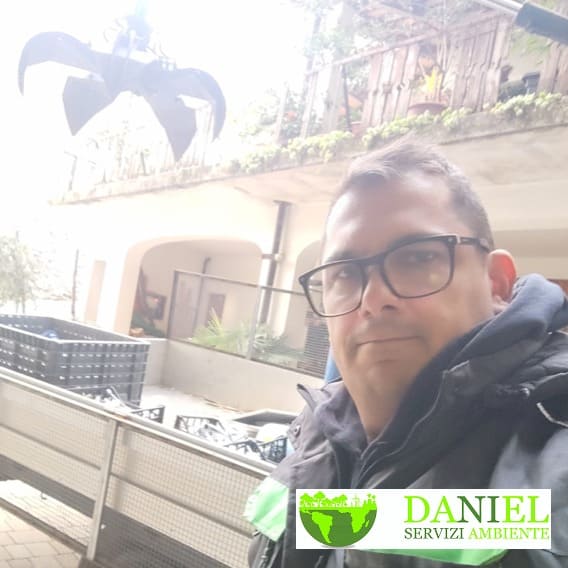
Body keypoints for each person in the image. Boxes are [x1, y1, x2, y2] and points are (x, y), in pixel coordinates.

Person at [245, 141, 568, 567]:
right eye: (344, 273)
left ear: (496, 284)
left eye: (417, 258)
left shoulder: (551, 453)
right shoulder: (316, 435)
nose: (372, 299)